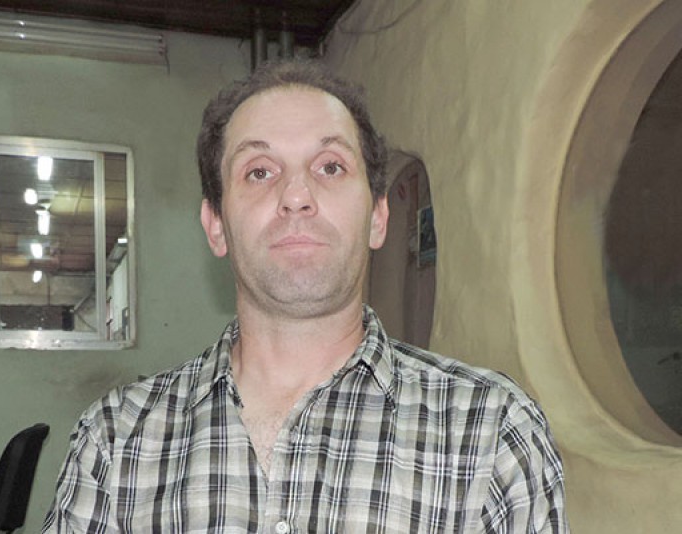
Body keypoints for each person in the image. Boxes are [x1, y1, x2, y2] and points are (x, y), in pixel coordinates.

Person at [42, 60, 569, 533]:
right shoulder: (115, 441)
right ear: (216, 225)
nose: (296, 196)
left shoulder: (493, 434)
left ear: (378, 216)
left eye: (330, 167)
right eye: (260, 172)